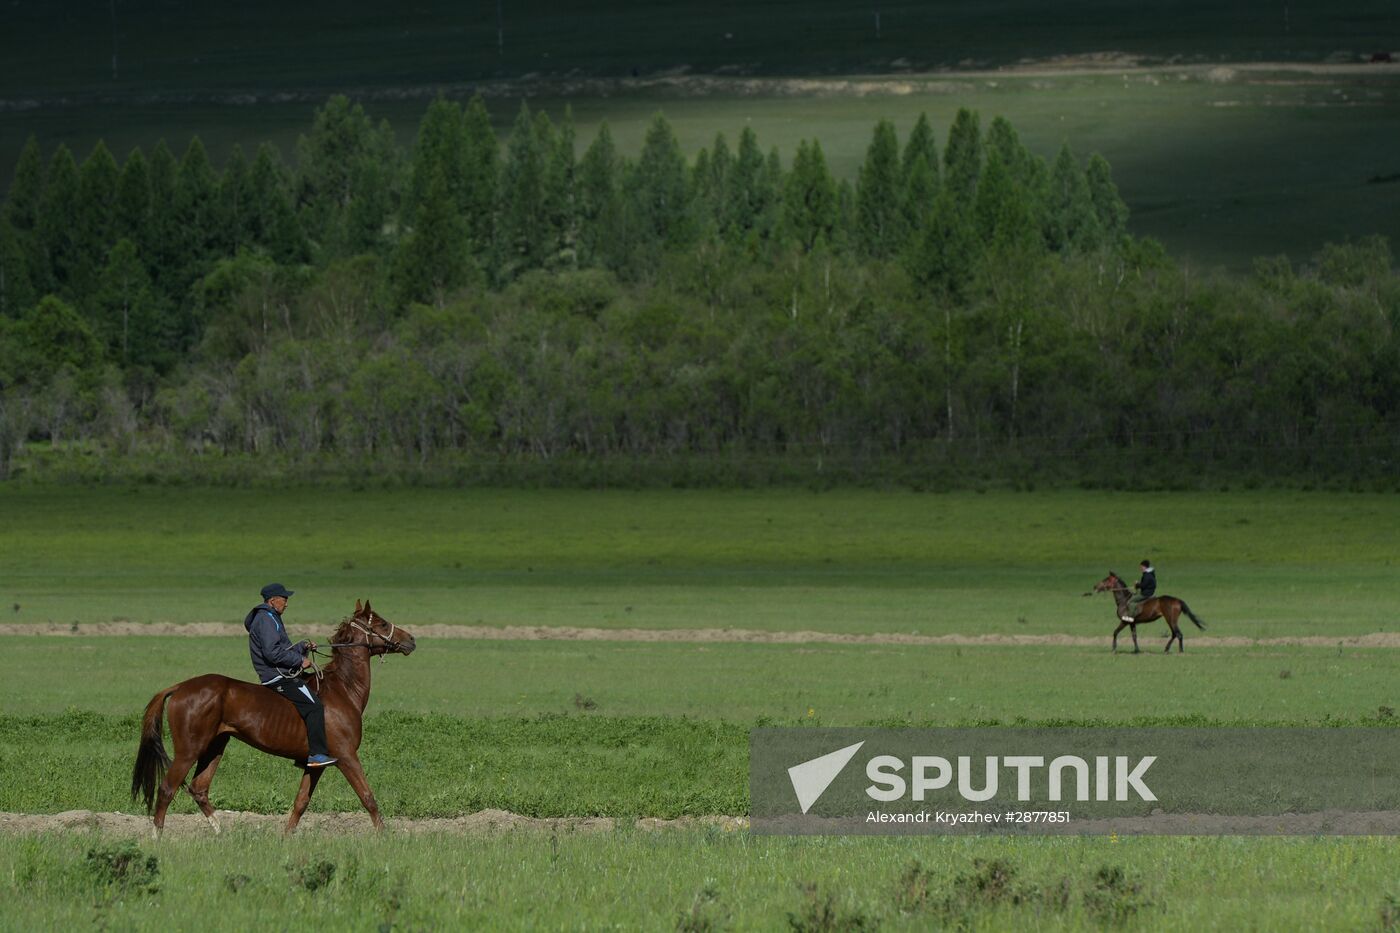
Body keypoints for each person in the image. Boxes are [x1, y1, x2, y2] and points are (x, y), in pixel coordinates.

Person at [245, 583, 336, 767]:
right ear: (272, 600)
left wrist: (303, 647)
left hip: (280, 672)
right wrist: (299, 661)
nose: (286, 603)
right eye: (284, 599)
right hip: (276, 676)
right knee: (314, 706)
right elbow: (272, 653)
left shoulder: (271, 617)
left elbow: (281, 649)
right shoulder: (266, 619)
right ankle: (316, 755)